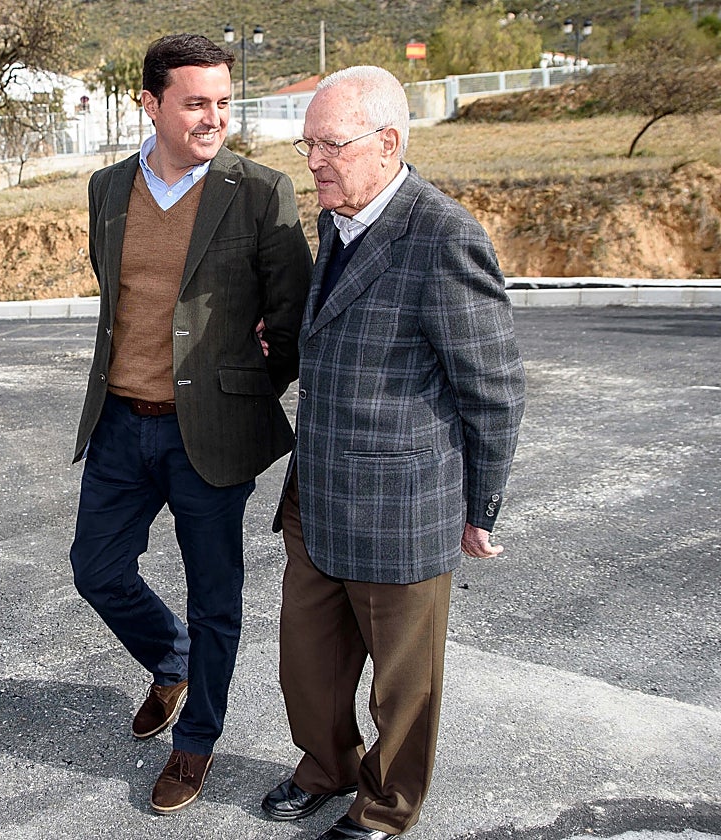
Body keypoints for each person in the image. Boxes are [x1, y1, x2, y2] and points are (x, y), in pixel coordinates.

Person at [259, 66, 526, 839]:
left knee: (402, 687)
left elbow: (494, 389)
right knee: (307, 666)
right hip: (317, 496)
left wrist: (480, 509)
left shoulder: (443, 236)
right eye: (308, 144)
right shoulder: (335, 221)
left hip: (401, 507)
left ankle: (386, 804)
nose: (313, 161)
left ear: (389, 143)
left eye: (330, 145)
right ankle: (326, 768)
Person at [69, 33, 312, 814]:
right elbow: (123, 302)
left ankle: (196, 742)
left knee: (217, 597)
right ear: (151, 103)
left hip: (209, 436)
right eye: (196, 102)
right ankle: (171, 662)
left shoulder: (261, 191)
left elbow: (294, 318)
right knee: (97, 570)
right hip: (119, 420)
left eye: (223, 102)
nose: (214, 117)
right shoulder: (107, 188)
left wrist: (242, 390)